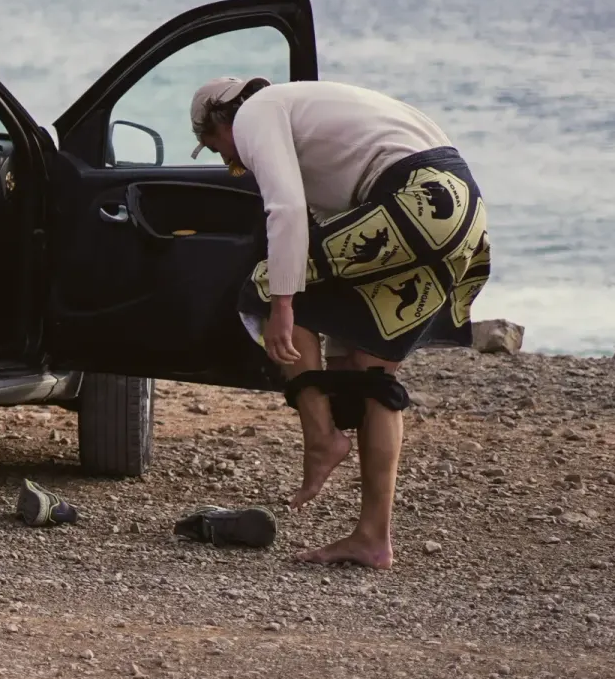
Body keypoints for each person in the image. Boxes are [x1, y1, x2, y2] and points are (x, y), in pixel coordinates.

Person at [191, 76, 491, 569]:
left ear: (221, 119)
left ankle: (322, 437)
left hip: (417, 200)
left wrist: (283, 304)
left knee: (267, 283)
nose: (232, 164)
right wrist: (335, 354)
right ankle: (373, 538)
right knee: (374, 375)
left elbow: (286, 210)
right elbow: (346, 249)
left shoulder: (256, 113)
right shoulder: (322, 110)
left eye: (217, 149)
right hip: (461, 210)